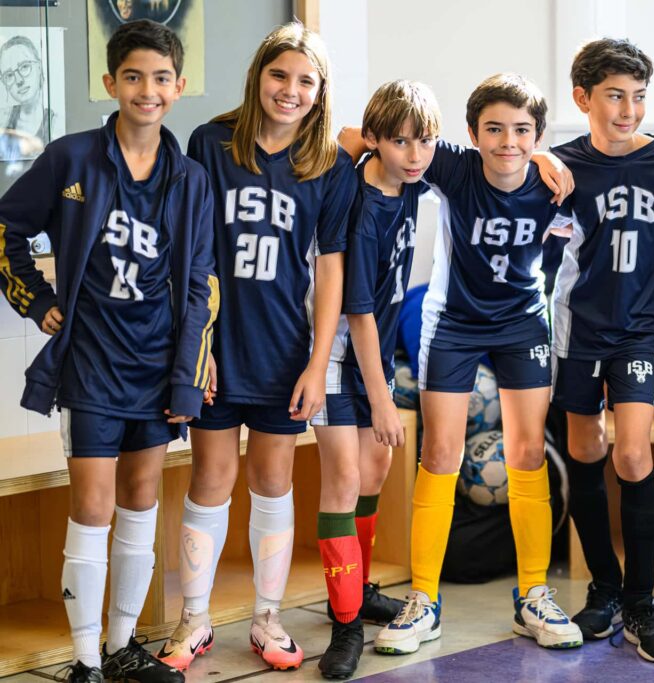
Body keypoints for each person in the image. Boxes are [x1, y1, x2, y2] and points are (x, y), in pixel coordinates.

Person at [0, 19, 215, 683]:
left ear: (178, 86)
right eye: (133, 76)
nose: (147, 90)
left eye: (160, 78)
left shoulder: (191, 179)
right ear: (110, 83)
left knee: (142, 499)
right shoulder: (71, 159)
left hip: (156, 366)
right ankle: (86, 659)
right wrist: (35, 299)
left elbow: (200, 288)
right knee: (92, 507)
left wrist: (188, 377)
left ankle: (122, 644)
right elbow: (5, 226)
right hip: (91, 364)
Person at [357, 73, 582, 655]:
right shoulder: (453, 166)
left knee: (527, 452)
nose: (508, 141)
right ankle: (424, 601)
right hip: (453, 322)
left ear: (538, 135)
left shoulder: (553, 181)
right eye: (495, 129)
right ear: (472, 133)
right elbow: (357, 135)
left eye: (522, 131)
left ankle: (533, 594)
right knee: (440, 453)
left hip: (522, 321)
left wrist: (549, 159)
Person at [157, 23, 356, 673]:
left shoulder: (329, 164)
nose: (290, 90)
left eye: (306, 81)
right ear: (257, 77)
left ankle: (268, 616)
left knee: (273, 479)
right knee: (211, 477)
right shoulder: (210, 143)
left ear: (321, 91)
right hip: (217, 346)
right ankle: (194, 617)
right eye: (279, 75)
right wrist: (197, 346)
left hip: (284, 350)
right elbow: (190, 251)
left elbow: (331, 267)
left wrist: (317, 362)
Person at [547, 37, 654, 663]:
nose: (628, 110)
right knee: (585, 449)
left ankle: (640, 599)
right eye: (614, 96)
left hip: (637, 329)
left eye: (638, 96)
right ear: (583, 98)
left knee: (632, 454)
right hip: (577, 329)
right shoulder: (559, 165)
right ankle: (603, 587)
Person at [311, 79, 441, 679]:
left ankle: (357, 591)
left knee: (376, 469)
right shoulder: (363, 207)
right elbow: (358, 313)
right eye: (400, 142)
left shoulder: (408, 180)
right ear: (376, 141)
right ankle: (345, 625)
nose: (415, 155)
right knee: (343, 479)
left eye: (424, 141)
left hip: (376, 352)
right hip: (339, 354)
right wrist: (385, 401)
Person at [0, 35, 54, 152]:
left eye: (24, 67)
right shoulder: (3, 122)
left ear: (39, 67)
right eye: (9, 75)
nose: (19, 80)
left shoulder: (56, 123)